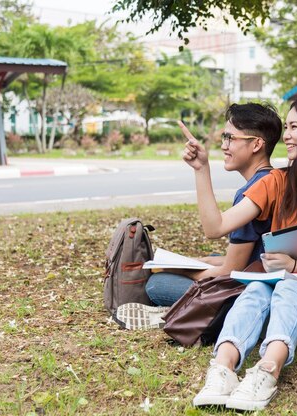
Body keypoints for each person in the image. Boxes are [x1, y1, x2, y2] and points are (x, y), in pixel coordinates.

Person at [181, 95, 297, 411]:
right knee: (260, 286)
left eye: (295, 127)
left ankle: (268, 370)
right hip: (276, 294)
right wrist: (201, 170)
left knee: (286, 284)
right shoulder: (277, 181)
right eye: (288, 127)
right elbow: (216, 227)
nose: (286, 135)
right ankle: (223, 368)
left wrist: (295, 265)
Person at [116, 103, 282, 329]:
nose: (224, 145)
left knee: (157, 284)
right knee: (211, 257)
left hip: (247, 293)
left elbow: (225, 264)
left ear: (256, 144)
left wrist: (174, 268)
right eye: (224, 137)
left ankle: (184, 312)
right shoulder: (274, 179)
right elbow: (248, 259)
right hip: (264, 278)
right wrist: (198, 262)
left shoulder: (253, 192)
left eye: (230, 138)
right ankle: (185, 307)